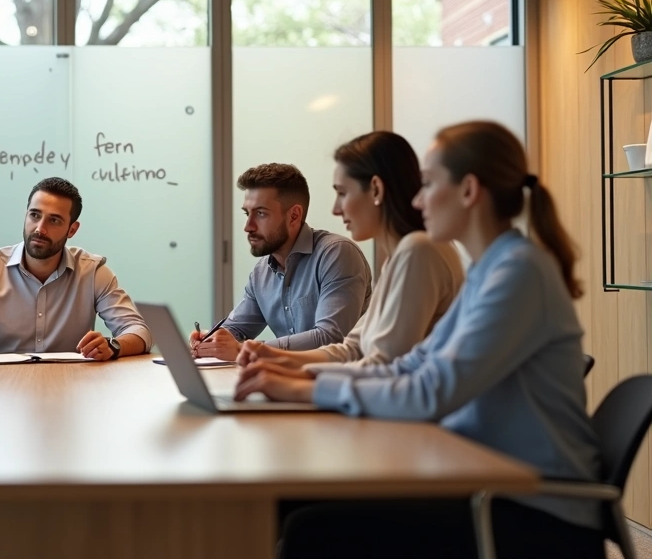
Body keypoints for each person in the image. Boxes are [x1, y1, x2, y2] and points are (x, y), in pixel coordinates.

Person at [236, 121, 603, 559]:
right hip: (482, 480)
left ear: (468, 191)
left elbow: (430, 391)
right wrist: (298, 379)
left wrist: (303, 388)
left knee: (310, 528)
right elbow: (411, 365)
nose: (415, 199)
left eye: (427, 184)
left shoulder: (518, 272)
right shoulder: (490, 270)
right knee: (294, 506)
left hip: (533, 509)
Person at [241, 132, 464, 370]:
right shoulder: (398, 258)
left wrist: (293, 381)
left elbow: (384, 367)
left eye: (342, 193)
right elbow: (352, 349)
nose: (335, 209)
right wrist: (267, 356)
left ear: (376, 189)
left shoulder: (418, 251)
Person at [0, 177, 151, 361]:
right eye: (35, 215)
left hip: (73, 387)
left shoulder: (93, 272)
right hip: (2, 389)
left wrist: (113, 346)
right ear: (25, 216)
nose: (40, 228)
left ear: (72, 230)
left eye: (54, 220)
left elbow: (139, 331)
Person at [190, 163, 372, 361]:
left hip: (340, 378)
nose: (248, 226)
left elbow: (330, 338)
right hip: (287, 377)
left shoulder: (337, 254)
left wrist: (246, 350)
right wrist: (212, 340)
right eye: (247, 213)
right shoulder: (261, 273)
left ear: (294, 216)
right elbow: (236, 329)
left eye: (261, 213)